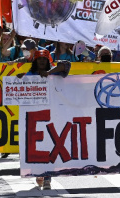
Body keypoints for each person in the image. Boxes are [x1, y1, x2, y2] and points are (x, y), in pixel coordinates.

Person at [20, 50, 71, 189]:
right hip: (35, 116)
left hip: (52, 115)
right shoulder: (30, 75)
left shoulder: (54, 72)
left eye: (44, 59)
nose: (42, 62)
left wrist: (48, 73)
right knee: (37, 146)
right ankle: (39, 173)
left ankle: (47, 177)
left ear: (48, 61)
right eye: (39, 59)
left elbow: (66, 65)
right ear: (35, 61)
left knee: (50, 145)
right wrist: (20, 79)